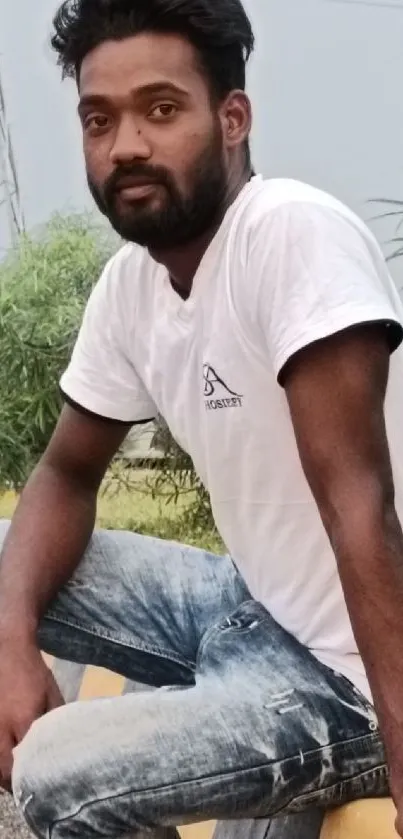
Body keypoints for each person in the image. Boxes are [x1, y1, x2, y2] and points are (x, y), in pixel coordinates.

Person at [1, 0, 403, 836]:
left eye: (160, 109)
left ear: (231, 118)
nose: (126, 146)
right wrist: (8, 640)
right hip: (250, 599)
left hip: (350, 677)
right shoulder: (130, 288)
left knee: (55, 775)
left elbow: (358, 504)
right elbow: (64, 474)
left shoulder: (287, 235)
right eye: (98, 119)